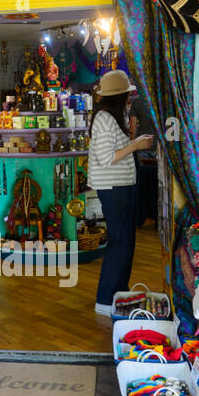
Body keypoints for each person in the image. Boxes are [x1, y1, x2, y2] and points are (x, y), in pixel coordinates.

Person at [88, 69, 155, 316]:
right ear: (119, 96)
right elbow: (106, 158)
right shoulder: (105, 118)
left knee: (125, 243)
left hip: (120, 186)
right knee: (119, 243)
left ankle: (117, 294)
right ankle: (106, 299)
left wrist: (133, 142)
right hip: (114, 188)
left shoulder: (113, 117)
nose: (130, 98)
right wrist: (135, 145)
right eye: (127, 94)